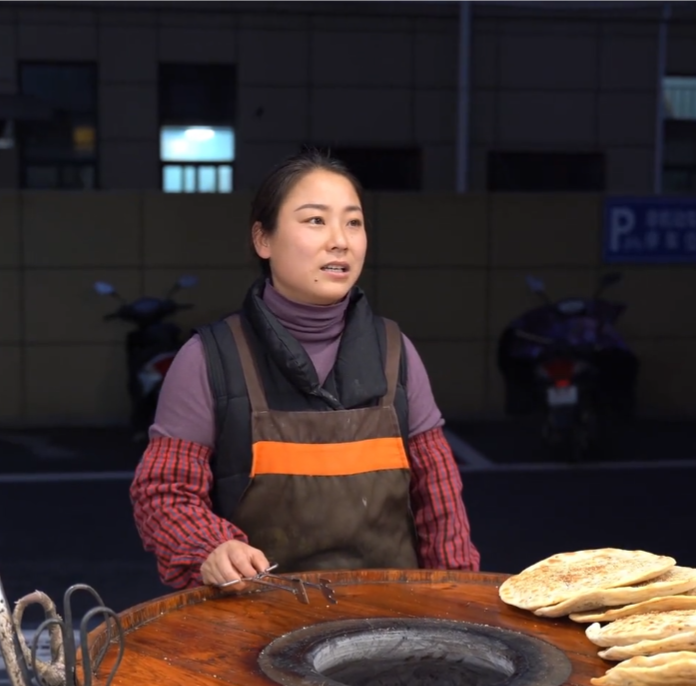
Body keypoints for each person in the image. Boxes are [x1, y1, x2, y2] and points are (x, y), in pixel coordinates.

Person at [129, 150, 480, 589]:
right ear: (263, 240)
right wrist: (211, 548)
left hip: (393, 624)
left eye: (353, 222)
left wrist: (460, 600)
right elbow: (164, 494)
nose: (340, 240)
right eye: (316, 220)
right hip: (253, 623)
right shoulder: (208, 359)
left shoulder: (397, 352)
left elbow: (440, 505)